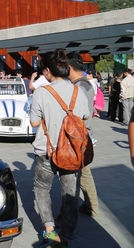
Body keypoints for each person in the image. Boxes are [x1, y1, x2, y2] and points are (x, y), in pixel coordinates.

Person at [29, 49, 89, 247]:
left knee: (42, 189)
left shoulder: (41, 92)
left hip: (47, 151)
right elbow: (86, 116)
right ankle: (68, 236)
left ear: (47, 71)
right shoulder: (78, 90)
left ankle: (50, 230)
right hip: (72, 151)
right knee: (70, 195)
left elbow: (35, 123)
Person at [65, 52, 99, 218]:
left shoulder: (78, 87)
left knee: (81, 174)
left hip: (79, 137)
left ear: (69, 67)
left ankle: (92, 208)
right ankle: (90, 206)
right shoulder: (87, 84)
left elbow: (79, 114)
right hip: (85, 134)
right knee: (84, 173)